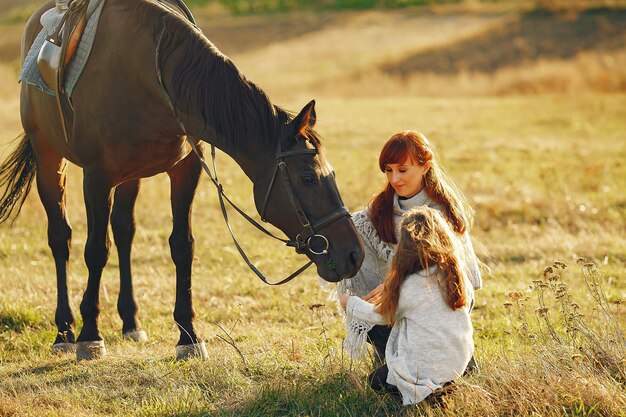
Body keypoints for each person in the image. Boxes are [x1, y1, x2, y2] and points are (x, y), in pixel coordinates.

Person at [334, 130, 482, 364]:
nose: (395, 179)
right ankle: (388, 351)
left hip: (434, 306)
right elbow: (350, 232)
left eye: (403, 170)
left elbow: (455, 275)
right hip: (393, 306)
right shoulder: (380, 207)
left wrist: (396, 285)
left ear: (425, 166)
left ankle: (440, 355)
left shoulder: (444, 212)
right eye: (388, 170)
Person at [340, 206, 475, 406]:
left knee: (376, 381)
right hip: (457, 360)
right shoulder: (455, 275)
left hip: (425, 366)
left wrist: (350, 303)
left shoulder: (411, 284)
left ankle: (428, 395)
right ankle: (446, 385)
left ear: (404, 249)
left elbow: (381, 316)